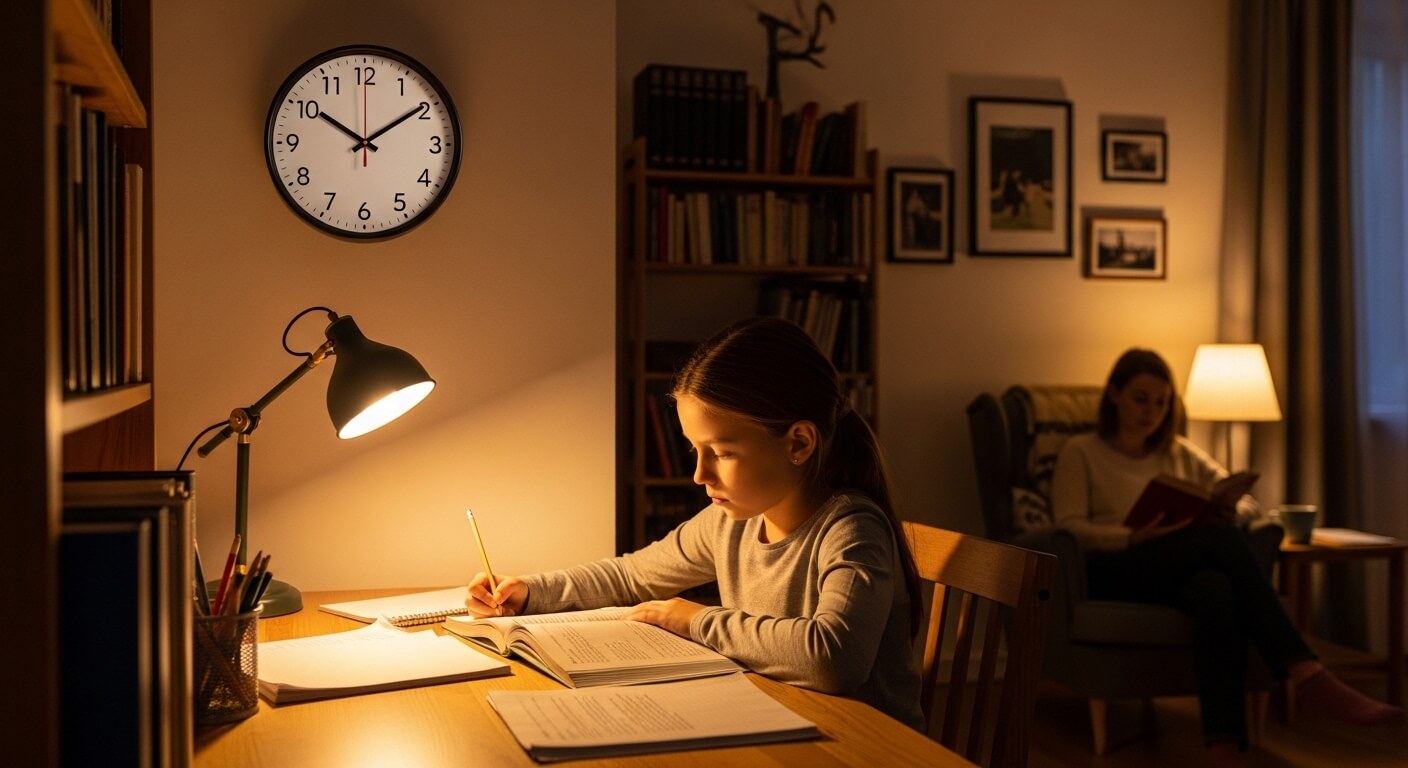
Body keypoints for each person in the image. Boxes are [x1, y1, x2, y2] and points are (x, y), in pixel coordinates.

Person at [464, 316, 926, 731]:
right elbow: (632, 575)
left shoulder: (850, 528)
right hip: (782, 726)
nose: (700, 475)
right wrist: (529, 591)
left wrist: (697, 620)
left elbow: (833, 658)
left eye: (722, 453)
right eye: (695, 449)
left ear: (799, 443)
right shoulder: (732, 523)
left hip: (867, 748)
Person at [1050, 348, 1401, 767]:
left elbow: (1247, 501)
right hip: (1111, 567)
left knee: (1213, 588)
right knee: (1217, 541)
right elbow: (1068, 528)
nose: (1152, 412)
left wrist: (1230, 507)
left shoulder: (1178, 451)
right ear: (1114, 395)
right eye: (1141, 399)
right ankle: (1305, 671)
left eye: (1162, 402)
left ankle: (1224, 744)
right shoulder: (1081, 451)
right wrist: (1132, 535)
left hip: (1173, 568)